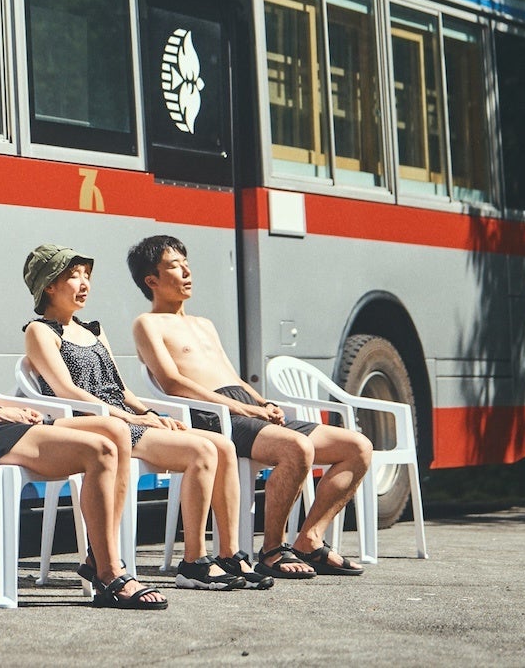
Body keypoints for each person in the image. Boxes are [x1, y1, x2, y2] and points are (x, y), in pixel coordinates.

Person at [0, 230, 168, 610]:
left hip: (1, 422)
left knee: (117, 429)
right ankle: (110, 570)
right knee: (101, 449)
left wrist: (12, 408)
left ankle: (100, 554)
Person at [21, 244, 270, 592]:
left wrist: (149, 413)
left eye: (86, 276)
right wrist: (129, 418)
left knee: (222, 447)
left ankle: (228, 554)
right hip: (91, 425)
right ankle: (194, 562)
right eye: (73, 276)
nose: (84, 283)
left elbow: (120, 387)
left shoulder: (92, 329)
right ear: (49, 285)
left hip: (124, 419)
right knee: (202, 452)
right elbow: (66, 391)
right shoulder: (40, 331)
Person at [128, 233, 375, 581]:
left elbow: (232, 375)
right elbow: (172, 382)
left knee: (358, 448)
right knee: (297, 448)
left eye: (187, 264)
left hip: (244, 408)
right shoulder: (147, 323)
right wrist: (242, 409)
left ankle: (309, 539)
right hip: (210, 414)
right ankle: (273, 550)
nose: (186, 272)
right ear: (151, 280)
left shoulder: (204, 324)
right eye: (174, 266)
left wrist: (261, 402)